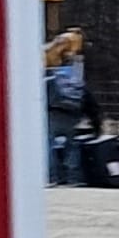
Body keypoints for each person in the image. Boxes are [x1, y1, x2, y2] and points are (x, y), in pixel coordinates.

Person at [45, 56, 88, 186]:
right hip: (72, 116)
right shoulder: (74, 79)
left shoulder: (50, 78)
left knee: (50, 146)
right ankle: (73, 178)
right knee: (72, 146)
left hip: (54, 115)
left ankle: (53, 177)